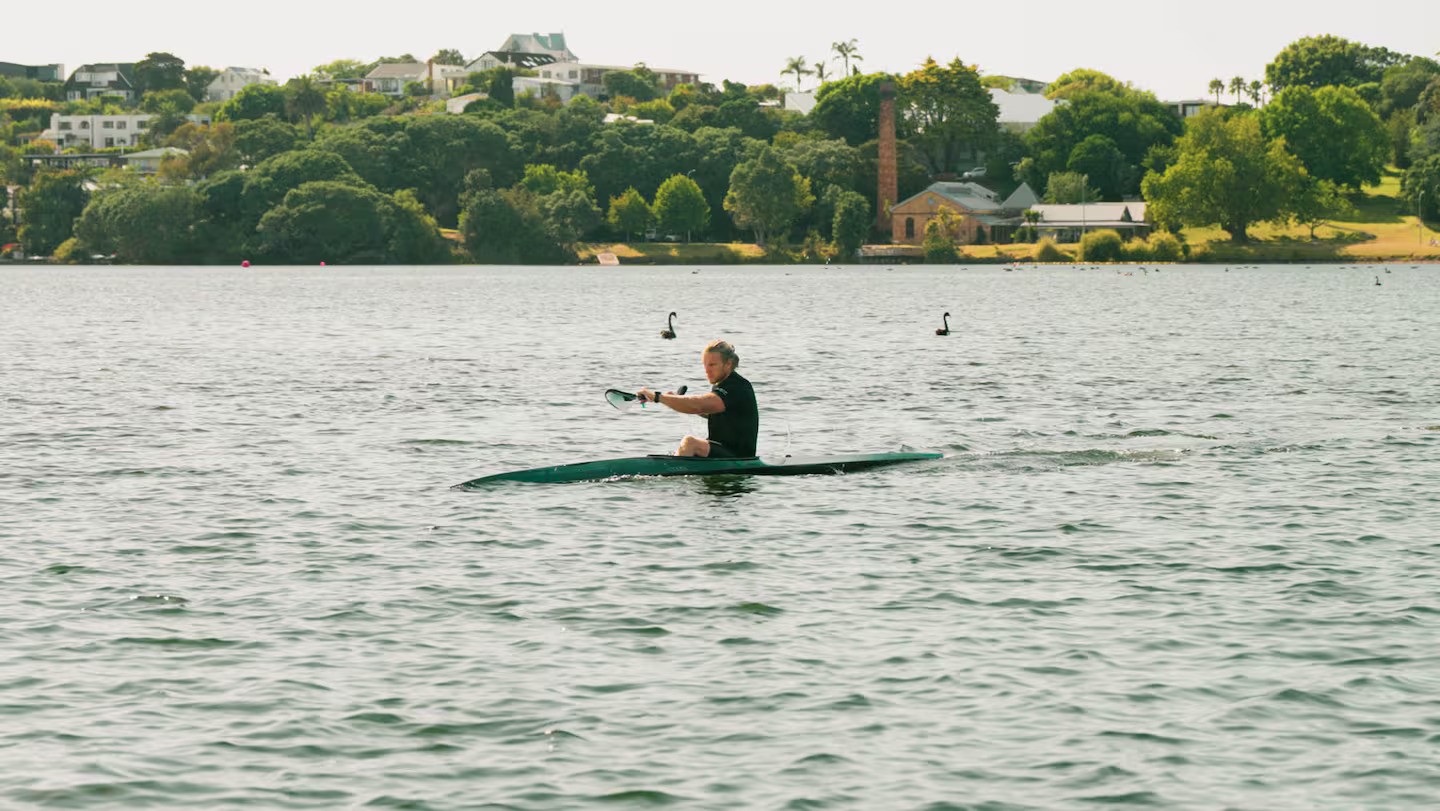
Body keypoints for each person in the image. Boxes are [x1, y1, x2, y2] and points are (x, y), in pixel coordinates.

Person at [637, 339, 758, 458]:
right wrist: (675, 400)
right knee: (684, 448)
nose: (706, 370)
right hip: (722, 451)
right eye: (705, 364)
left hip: (739, 457)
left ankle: (673, 474)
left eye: (712, 365)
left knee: (690, 443)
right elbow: (706, 411)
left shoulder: (737, 387)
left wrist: (658, 397)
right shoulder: (722, 384)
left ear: (728, 364)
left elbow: (699, 406)